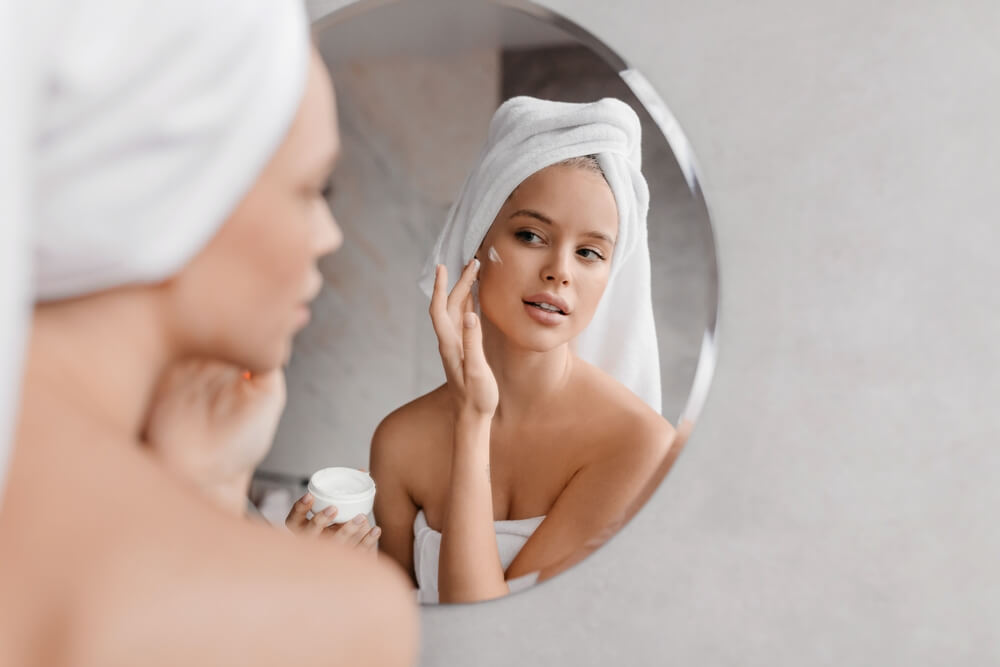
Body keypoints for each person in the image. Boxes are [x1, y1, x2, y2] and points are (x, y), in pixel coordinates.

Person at [0, 1, 416, 664]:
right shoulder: (336, 615)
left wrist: (206, 486)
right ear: (178, 195)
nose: (329, 237)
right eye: (313, 188)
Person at [372, 96, 677, 603]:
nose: (560, 271)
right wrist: (328, 562)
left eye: (589, 252)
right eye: (531, 235)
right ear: (477, 245)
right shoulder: (399, 442)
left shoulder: (638, 446)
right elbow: (394, 630)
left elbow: (489, 638)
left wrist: (472, 422)